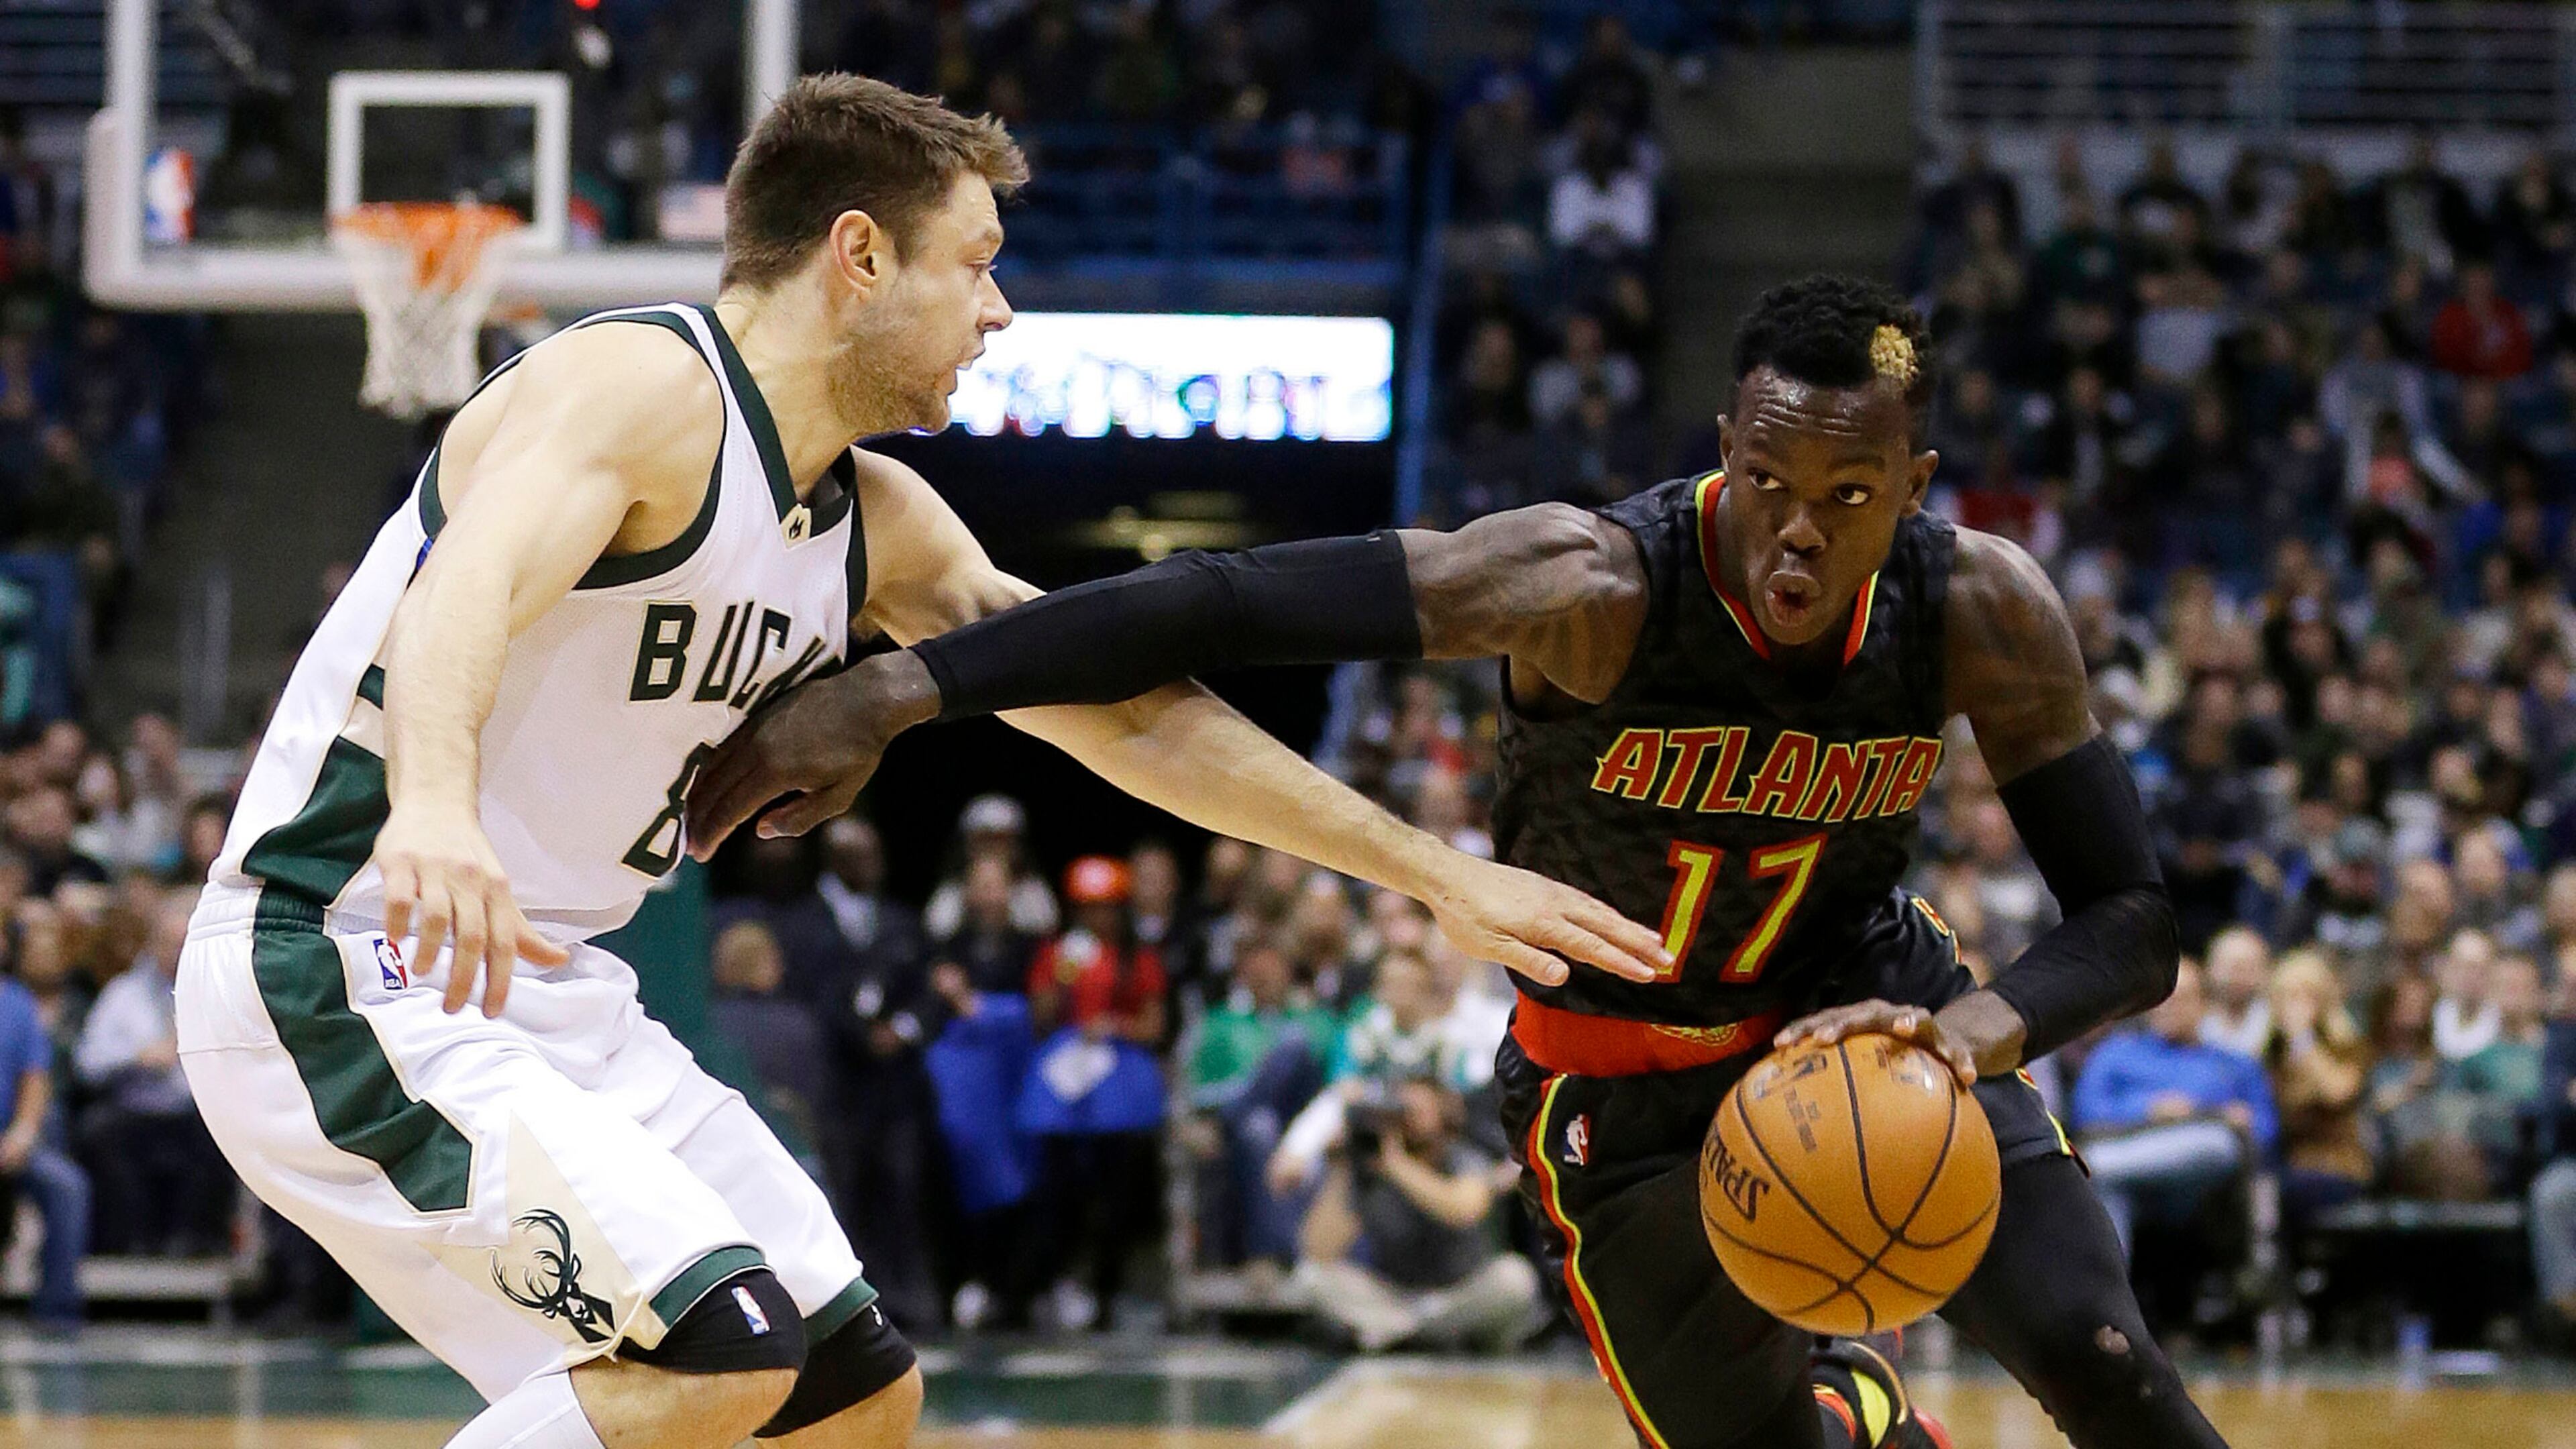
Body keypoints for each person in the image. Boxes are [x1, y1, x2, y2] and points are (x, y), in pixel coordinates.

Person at [176, 74, 1658, 1449]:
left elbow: (1133, 709)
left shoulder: (879, 519)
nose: (1000, 310)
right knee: (722, 1359)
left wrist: (1432, 872)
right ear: (862, 255)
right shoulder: (639, 389)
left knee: (851, 1395)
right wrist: (432, 803)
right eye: (979, 261)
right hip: (348, 952)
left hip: (553, 993)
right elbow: (464, 589)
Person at [690, 276, 2230, 1449]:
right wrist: (905, 685)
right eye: (1767, 482)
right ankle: (1853, 1412)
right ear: (1725, 450)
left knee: (2105, 1365)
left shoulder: (1983, 609)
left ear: (1913, 480)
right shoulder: (1583, 584)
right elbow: (1216, 599)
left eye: (1846, 498)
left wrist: (1973, 1030)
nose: (1795, 533)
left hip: (1877, 1028)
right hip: (1618, 1089)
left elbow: (2135, 916)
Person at [1293, 1075, 1542, 1353]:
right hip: (1396, 1296)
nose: (1408, 1120)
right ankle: (1419, 1333)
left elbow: (1463, 1209)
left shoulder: (1461, 1157)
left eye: (1417, 1112)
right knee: (1311, 1277)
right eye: (1401, 1111)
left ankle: (1396, 1333)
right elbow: (1318, 1250)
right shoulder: (1371, 1168)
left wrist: (1397, 1166)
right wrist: (1341, 1167)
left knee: (1516, 1279)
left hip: (1459, 1294)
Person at [2072, 959, 2279, 1258]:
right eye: (2161, 998)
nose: (2168, 1007)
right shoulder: (2116, 1053)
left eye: (2181, 999)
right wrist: (2148, 1110)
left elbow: (2265, 1132)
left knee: (2217, 1144)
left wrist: (2218, 1116)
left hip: (2202, 1182)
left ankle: (2096, 1168)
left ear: (2204, 1005)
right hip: (2133, 1171)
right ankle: (2110, 1302)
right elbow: (2086, 1113)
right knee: (2111, 1193)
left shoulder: (2234, 1064)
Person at [76, 890, 228, 1257]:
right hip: (136, 1108)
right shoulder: (123, 993)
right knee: (98, 1130)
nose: (176, 954)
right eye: (169, 944)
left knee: (225, 1135)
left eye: (183, 944)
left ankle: (190, 1242)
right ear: (153, 943)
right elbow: (88, 1062)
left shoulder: (217, 992)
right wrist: (136, 1057)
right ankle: (133, 1242)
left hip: (195, 1110)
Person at [0, 920, 84, 1326]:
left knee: (68, 1187)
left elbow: (36, 1077)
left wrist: (24, 1132)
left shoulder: (17, 1003)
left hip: (9, 1143)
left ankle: (57, 1312)